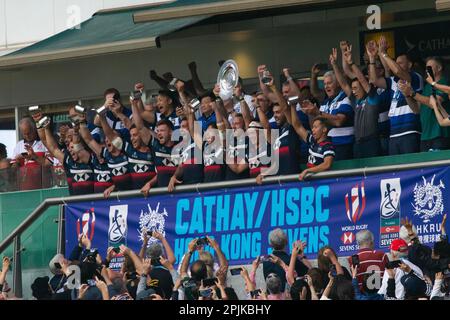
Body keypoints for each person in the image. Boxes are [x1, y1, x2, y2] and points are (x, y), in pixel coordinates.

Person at [367, 37, 423, 155]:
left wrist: (383, 54)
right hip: (394, 133)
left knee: (410, 167)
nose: (396, 65)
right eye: (396, 63)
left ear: (410, 64)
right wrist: (372, 58)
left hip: (410, 131)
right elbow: (374, 80)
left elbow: (398, 71)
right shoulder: (393, 81)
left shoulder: (414, 77)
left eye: (400, 63)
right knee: (396, 171)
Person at [334, 45, 382, 158]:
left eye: (356, 88)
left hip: (371, 142)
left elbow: (362, 80)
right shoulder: (356, 101)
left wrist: (351, 63)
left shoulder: (372, 98)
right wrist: (334, 65)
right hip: (358, 143)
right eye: (353, 89)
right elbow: (344, 84)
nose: (353, 91)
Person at [398, 56, 450, 151]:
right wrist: (406, 94)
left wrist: (412, 93)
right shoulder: (426, 87)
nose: (426, 70)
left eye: (429, 67)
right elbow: (416, 109)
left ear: (439, 68)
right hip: (425, 136)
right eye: (426, 67)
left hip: (440, 134)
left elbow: (434, 103)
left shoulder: (444, 83)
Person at [309, 64, 355, 161]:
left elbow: (339, 121)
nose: (326, 86)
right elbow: (315, 92)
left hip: (343, 145)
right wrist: (314, 76)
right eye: (325, 84)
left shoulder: (345, 98)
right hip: (327, 146)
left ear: (338, 83)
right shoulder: (326, 101)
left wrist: (318, 113)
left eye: (329, 83)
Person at [287, 98, 335, 180]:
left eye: (316, 127)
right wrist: (293, 106)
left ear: (324, 129)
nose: (312, 130)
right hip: (311, 183)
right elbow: (297, 126)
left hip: (322, 184)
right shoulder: (312, 140)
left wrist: (308, 171)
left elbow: (327, 164)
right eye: (313, 127)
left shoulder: (328, 146)